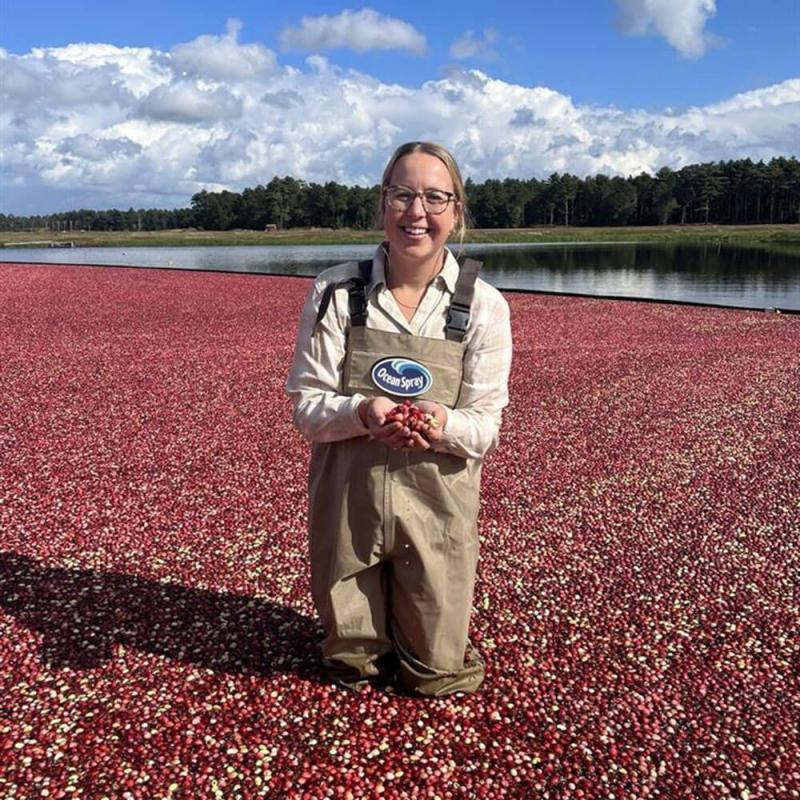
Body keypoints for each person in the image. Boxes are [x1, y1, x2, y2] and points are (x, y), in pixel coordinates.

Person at [286, 141, 513, 696]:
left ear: (456, 211)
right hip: (350, 498)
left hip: (437, 502)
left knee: (436, 674)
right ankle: (361, 639)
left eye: (436, 197)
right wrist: (363, 412)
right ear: (382, 205)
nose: (417, 212)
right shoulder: (337, 291)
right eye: (402, 195)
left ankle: (417, 634)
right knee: (351, 665)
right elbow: (307, 407)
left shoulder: (483, 305)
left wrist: (440, 423)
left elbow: (484, 427)